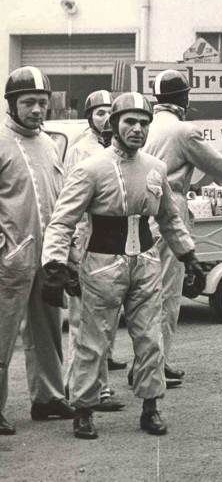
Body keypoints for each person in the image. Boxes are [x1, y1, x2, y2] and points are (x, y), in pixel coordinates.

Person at [41, 92, 206, 439]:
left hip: (145, 264)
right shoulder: (90, 169)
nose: (138, 129)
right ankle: (83, 409)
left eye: (144, 122)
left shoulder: (155, 169)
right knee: (92, 340)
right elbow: (62, 220)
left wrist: (188, 255)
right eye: (130, 121)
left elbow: (170, 219)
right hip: (101, 265)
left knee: (150, 337)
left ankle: (151, 406)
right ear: (114, 125)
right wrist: (56, 262)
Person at [142, 70, 222, 386]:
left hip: (143, 211)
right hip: (170, 207)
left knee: (144, 291)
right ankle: (157, 364)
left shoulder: (146, 127)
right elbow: (217, 165)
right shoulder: (183, 131)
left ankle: (144, 362)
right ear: (183, 98)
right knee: (167, 291)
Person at [0, 67, 76, 435]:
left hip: (48, 254)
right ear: (11, 104)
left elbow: (59, 198)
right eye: (28, 102)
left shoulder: (48, 143)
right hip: (9, 255)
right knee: (2, 333)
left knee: (48, 327)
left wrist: (65, 249)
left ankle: (48, 398)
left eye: (42, 103)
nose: (36, 110)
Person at [63, 89, 125, 413]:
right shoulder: (80, 151)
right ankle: (91, 390)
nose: (104, 118)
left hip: (107, 242)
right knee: (83, 322)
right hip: (82, 239)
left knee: (101, 320)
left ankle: (81, 384)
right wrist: (71, 250)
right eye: (98, 112)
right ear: (89, 117)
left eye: (108, 112)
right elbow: (69, 201)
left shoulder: (115, 150)